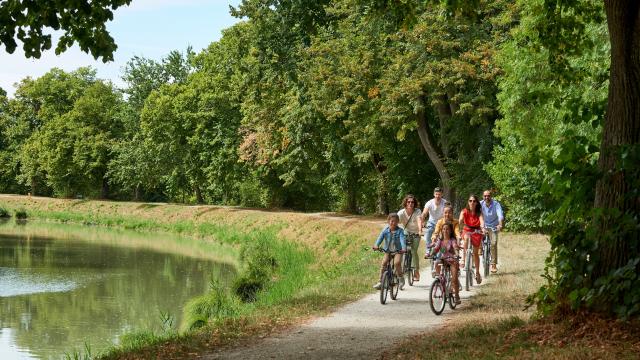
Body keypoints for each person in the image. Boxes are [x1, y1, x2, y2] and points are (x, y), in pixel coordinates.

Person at [372, 213, 407, 290]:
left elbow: (402, 240)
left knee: (397, 263)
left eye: (395, 221)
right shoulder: (385, 230)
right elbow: (380, 238)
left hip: (398, 251)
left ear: (398, 222)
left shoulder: (400, 231)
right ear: (388, 221)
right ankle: (380, 282)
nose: (393, 223)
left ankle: (401, 278)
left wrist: (404, 248)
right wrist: (376, 245)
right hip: (387, 250)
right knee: (384, 263)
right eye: (391, 221)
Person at [458, 194, 486, 284]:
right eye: (470, 201)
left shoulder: (479, 212)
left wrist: (483, 228)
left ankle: (477, 273)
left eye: (474, 201)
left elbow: (482, 222)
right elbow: (460, 220)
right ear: (468, 202)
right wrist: (460, 224)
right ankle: (463, 259)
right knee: (465, 238)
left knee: (475, 253)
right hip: (467, 229)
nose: (472, 203)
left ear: (477, 203)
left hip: (476, 231)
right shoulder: (464, 211)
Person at [432, 222, 461, 304]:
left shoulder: (452, 240)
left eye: (447, 229)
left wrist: (457, 253)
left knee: (454, 279)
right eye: (444, 229)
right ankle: (439, 278)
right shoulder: (440, 241)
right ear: (441, 230)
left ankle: (457, 296)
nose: (445, 231)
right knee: (437, 262)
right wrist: (430, 254)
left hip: (452, 260)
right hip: (444, 259)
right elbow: (436, 248)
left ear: (451, 231)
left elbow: (455, 247)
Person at [398, 194, 423, 282]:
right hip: (406, 232)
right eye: (408, 202)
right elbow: (395, 221)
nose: (410, 203)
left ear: (414, 203)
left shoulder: (417, 211)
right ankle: (399, 269)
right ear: (405, 203)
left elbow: (419, 220)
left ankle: (416, 271)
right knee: (401, 249)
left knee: (413, 251)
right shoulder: (401, 213)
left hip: (416, 233)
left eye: (412, 202)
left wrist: (420, 231)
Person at [480, 190, 504, 273]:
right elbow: (476, 214)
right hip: (483, 226)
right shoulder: (480, 204)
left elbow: (500, 215)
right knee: (476, 235)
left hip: (494, 226)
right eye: (485, 196)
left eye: (488, 196)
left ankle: (493, 264)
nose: (487, 197)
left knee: (493, 243)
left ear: (491, 196)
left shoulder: (496, 204)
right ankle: (480, 248)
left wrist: (500, 224)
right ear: (483, 196)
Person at [421, 187, 447, 257]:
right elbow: (424, 213)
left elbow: (448, 212)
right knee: (429, 232)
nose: (437, 196)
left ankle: (443, 252)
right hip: (431, 222)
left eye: (439, 194)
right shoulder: (429, 203)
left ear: (442, 195)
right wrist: (422, 221)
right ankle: (428, 251)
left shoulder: (445, 202)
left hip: (442, 222)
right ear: (434, 194)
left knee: (444, 236)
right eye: (436, 194)